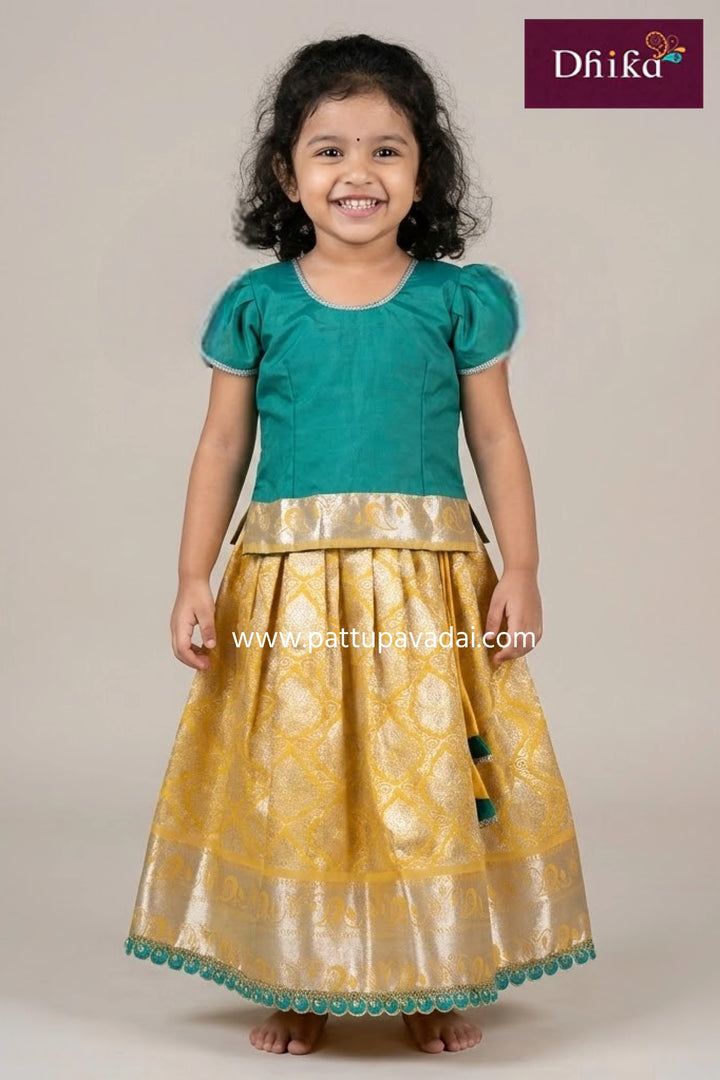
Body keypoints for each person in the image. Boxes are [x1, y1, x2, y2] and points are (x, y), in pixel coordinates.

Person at [124, 32, 595, 1056]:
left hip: (428, 589)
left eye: (387, 149)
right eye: (329, 149)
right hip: (290, 591)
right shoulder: (257, 307)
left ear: (425, 170)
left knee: (423, 784)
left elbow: (497, 438)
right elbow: (221, 447)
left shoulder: (456, 300)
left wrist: (522, 567)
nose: (358, 173)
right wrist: (189, 577)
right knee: (301, 787)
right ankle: (297, 979)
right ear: (286, 176)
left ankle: (431, 974)